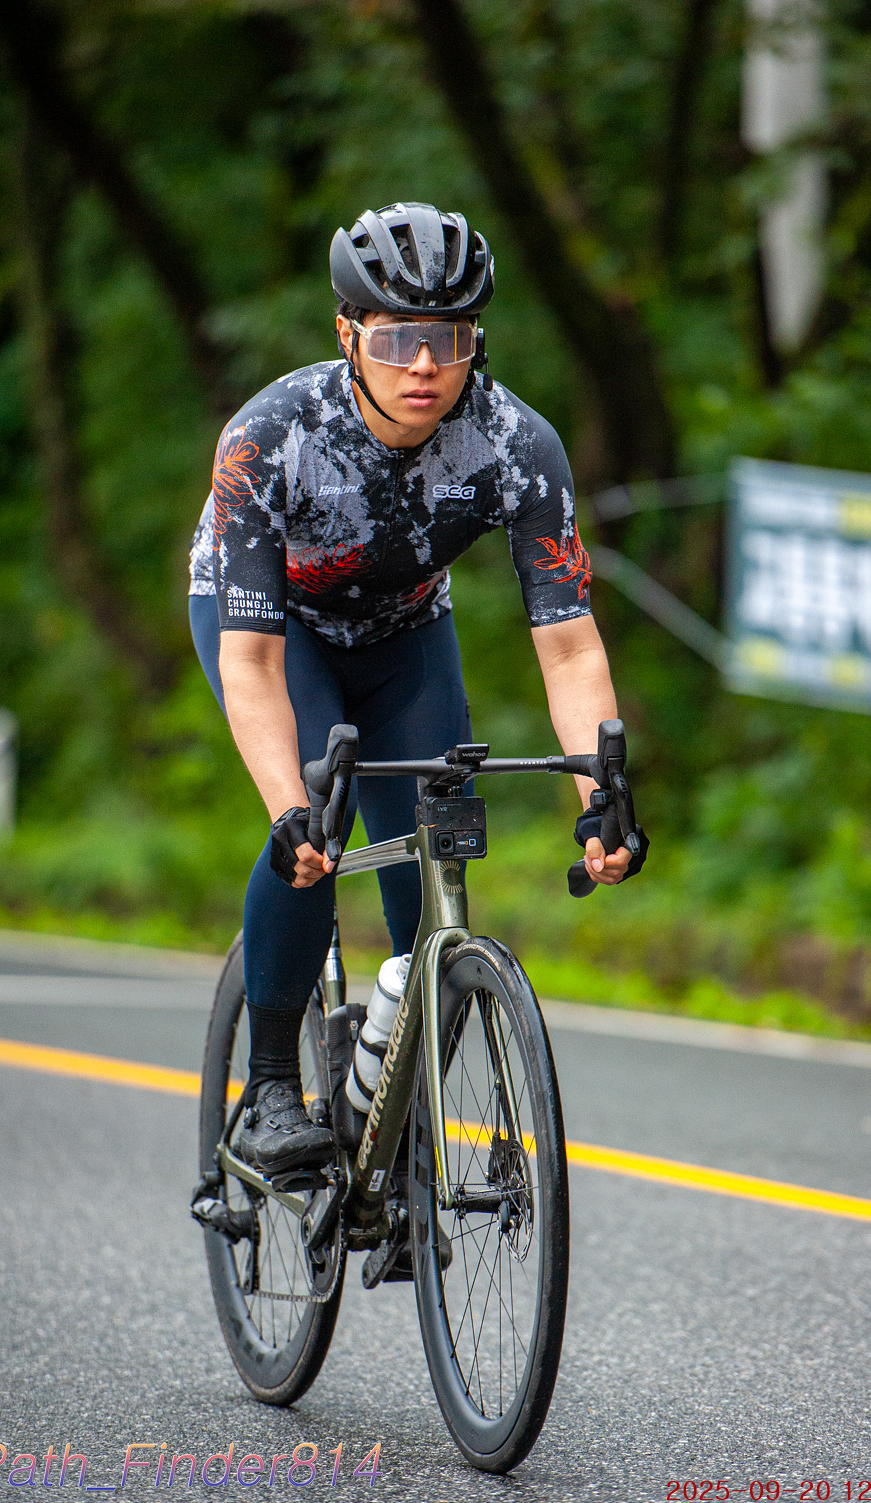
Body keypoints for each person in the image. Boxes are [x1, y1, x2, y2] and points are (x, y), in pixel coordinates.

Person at [188, 201, 633, 1176]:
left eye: (451, 338)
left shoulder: (515, 444)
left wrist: (596, 794)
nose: (424, 365)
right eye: (397, 339)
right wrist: (289, 806)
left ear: (476, 342)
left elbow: (568, 648)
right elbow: (249, 662)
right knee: (316, 831)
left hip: (404, 632)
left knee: (438, 859)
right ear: (348, 334)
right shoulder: (271, 437)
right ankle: (271, 1088)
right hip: (272, 630)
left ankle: (393, 1089)